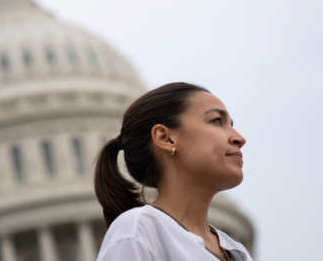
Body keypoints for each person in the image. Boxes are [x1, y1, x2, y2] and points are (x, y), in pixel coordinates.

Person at [94, 82, 253, 261]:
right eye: (217, 121)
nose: (240, 138)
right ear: (165, 138)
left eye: (231, 124)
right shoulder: (138, 231)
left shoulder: (237, 252)